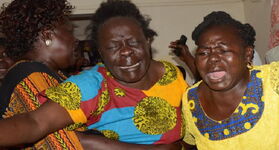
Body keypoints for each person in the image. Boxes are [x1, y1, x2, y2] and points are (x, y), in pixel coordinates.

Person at [0, 0, 187, 149]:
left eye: (133, 42)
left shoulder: (171, 75)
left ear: (147, 40)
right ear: (101, 53)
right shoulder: (89, 85)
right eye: (113, 46)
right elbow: (37, 124)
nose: (126, 52)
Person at [181, 11, 279, 150]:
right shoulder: (191, 98)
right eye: (203, 53)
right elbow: (189, 143)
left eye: (223, 50)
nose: (212, 58)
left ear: (247, 54)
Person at [0, 0, 83, 149]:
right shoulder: (32, 75)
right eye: (69, 32)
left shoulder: (48, 74)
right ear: (47, 36)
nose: (75, 39)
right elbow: (60, 140)